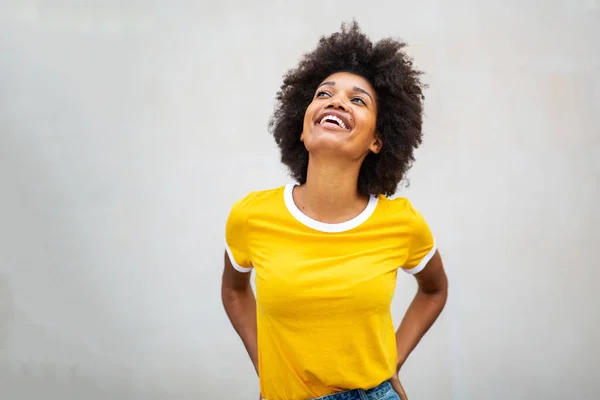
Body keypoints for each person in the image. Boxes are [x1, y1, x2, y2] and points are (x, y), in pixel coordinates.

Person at [221, 20, 448, 400]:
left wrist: (392, 360)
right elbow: (233, 290)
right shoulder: (251, 216)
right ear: (302, 125)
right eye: (324, 93)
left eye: (358, 100)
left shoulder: (401, 224)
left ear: (378, 140)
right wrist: (266, 364)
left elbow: (434, 290)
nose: (336, 101)